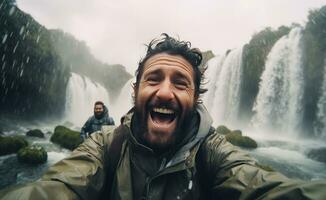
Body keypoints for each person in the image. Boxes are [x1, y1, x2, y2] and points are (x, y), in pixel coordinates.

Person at [1, 34, 326, 200]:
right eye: (154, 79)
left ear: (195, 99)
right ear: (135, 92)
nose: (166, 93)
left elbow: (261, 186)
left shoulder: (214, 153)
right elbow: (58, 186)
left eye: (180, 82)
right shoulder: (104, 145)